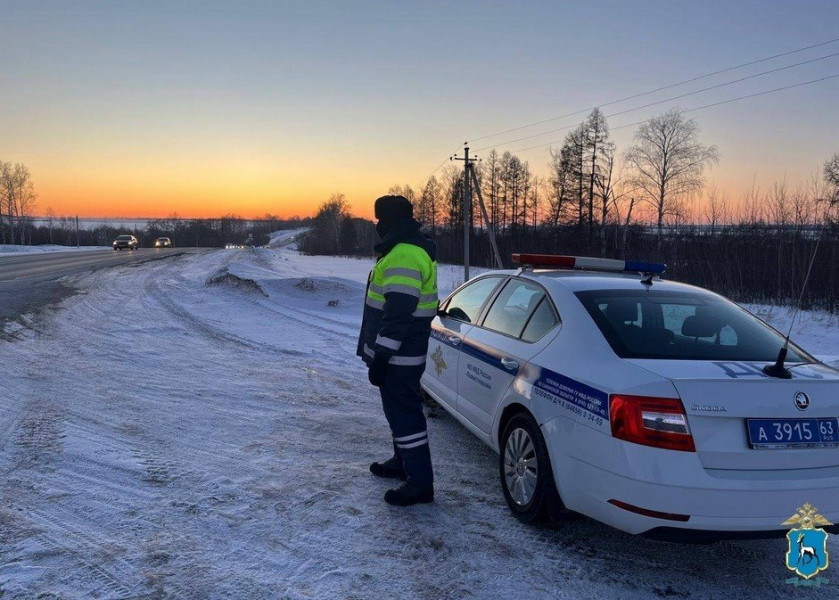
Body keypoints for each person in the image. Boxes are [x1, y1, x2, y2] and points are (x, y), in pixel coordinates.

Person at [357, 195, 438, 506]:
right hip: (402, 354)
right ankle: (401, 461)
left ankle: (419, 483)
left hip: (399, 356)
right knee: (397, 412)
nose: (378, 225)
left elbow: (399, 313)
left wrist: (382, 356)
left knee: (405, 415)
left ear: (392, 222)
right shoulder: (406, 249)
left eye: (381, 220)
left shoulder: (403, 255)